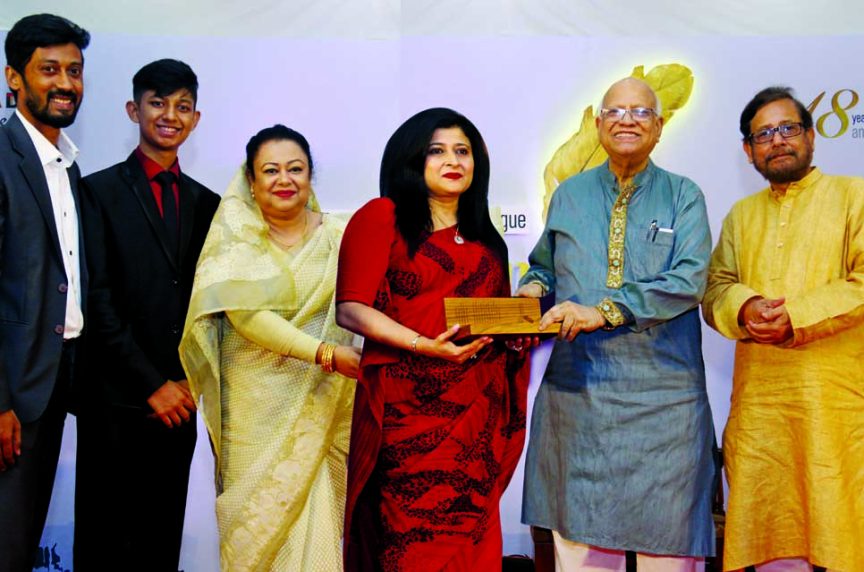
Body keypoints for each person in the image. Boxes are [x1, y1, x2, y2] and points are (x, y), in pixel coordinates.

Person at [702, 86, 864, 572]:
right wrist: (746, 306)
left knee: (841, 536)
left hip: (835, 408)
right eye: (764, 134)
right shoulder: (740, 216)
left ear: (811, 137)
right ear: (748, 150)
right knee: (771, 534)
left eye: (788, 129)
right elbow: (715, 289)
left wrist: (796, 315)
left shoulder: (852, 195)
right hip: (762, 414)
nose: (777, 141)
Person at [517, 78, 716, 571]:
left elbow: (689, 279)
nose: (628, 120)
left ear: (660, 127)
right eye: (616, 111)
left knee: (666, 547)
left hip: (664, 400)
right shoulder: (570, 195)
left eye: (641, 112)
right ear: (600, 123)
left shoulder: (683, 196)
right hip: (579, 397)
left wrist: (601, 311)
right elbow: (545, 264)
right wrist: (532, 290)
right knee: (580, 548)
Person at [337, 107, 531, 571]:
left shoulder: (488, 242)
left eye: (463, 151)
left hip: (477, 420)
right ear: (412, 159)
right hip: (409, 419)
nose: (454, 161)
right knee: (411, 543)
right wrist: (425, 345)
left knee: (472, 543)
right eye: (438, 150)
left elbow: (491, 324)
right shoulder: (382, 217)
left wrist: (521, 331)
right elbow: (350, 308)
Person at [180, 124, 361, 570]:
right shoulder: (235, 240)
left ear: (310, 175)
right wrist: (326, 354)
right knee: (254, 532)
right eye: (271, 170)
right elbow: (247, 317)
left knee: (317, 524)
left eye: (295, 169)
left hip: (325, 403)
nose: (285, 180)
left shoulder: (341, 237)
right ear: (252, 181)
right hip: (254, 412)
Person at [74, 59, 220, 569]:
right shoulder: (96, 191)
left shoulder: (211, 205)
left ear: (196, 119)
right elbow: (97, 301)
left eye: (182, 106)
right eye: (158, 103)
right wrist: (149, 383)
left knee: (162, 541)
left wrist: (186, 382)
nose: (170, 116)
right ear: (134, 109)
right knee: (105, 542)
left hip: (180, 403)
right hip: (114, 401)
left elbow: (208, 307)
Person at [0, 14, 90, 571]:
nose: (66, 83)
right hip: (14, 394)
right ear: (14, 78)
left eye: (75, 71)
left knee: (23, 536)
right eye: (49, 70)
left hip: (57, 381)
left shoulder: (67, 166)